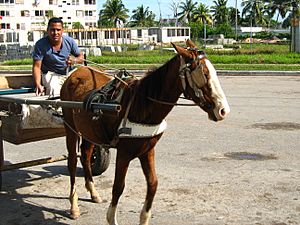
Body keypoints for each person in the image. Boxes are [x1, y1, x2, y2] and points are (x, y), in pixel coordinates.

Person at [32, 17, 84, 96]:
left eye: (58, 30)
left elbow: (81, 57)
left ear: (62, 30)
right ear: (48, 30)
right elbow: (36, 67)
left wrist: (75, 60)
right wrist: (38, 84)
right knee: (54, 90)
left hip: (68, 72)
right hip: (51, 74)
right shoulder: (40, 45)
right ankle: (54, 108)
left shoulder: (69, 41)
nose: (55, 33)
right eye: (52, 30)